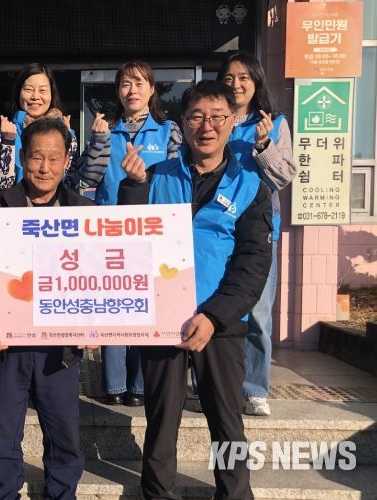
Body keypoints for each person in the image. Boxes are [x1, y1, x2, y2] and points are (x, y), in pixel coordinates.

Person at [118, 80, 272, 500]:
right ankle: (158, 494)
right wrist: (133, 187)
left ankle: (234, 494)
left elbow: (253, 264)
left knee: (227, 423)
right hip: (163, 320)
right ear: (182, 123)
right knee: (161, 419)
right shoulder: (156, 176)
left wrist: (215, 316)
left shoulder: (250, 186)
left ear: (232, 121)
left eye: (217, 117)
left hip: (220, 324)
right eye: (197, 117)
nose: (207, 126)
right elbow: (129, 242)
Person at [0, 119, 93, 499]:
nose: (44, 167)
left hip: (60, 349)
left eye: (54, 158)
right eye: (36, 157)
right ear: (22, 158)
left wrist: (97, 324)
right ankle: (4, 493)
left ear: (67, 161)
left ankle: (62, 494)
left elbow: (97, 274)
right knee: (2, 434)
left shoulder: (84, 211)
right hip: (6, 345)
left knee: (64, 433)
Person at [70, 60, 182, 407]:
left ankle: (139, 385)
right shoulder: (107, 129)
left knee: (144, 308)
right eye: (125, 84)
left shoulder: (168, 130)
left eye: (139, 83)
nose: (132, 91)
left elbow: (177, 180)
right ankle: (115, 384)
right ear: (118, 92)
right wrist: (99, 141)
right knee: (113, 307)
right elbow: (85, 178)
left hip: (153, 232)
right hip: (110, 233)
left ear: (152, 89)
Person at [217, 50, 296, 417]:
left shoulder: (274, 124)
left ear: (256, 81)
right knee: (214, 305)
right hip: (217, 227)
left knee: (259, 313)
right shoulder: (214, 119)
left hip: (260, 229)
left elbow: (284, 176)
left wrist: (263, 146)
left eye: (243, 77)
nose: (236, 84)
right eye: (229, 78)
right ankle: (213, 384)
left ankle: (254, 389)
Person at [0, 63, 78, 191]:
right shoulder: (6, 132)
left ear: (52, 94)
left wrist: (66, 139)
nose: (35, 97)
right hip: (16, 203)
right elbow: (3, 185)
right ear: (19, 93)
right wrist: (8, 142)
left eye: (42, 90)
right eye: (28, 89)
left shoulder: (67, 132)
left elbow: (69, 183)